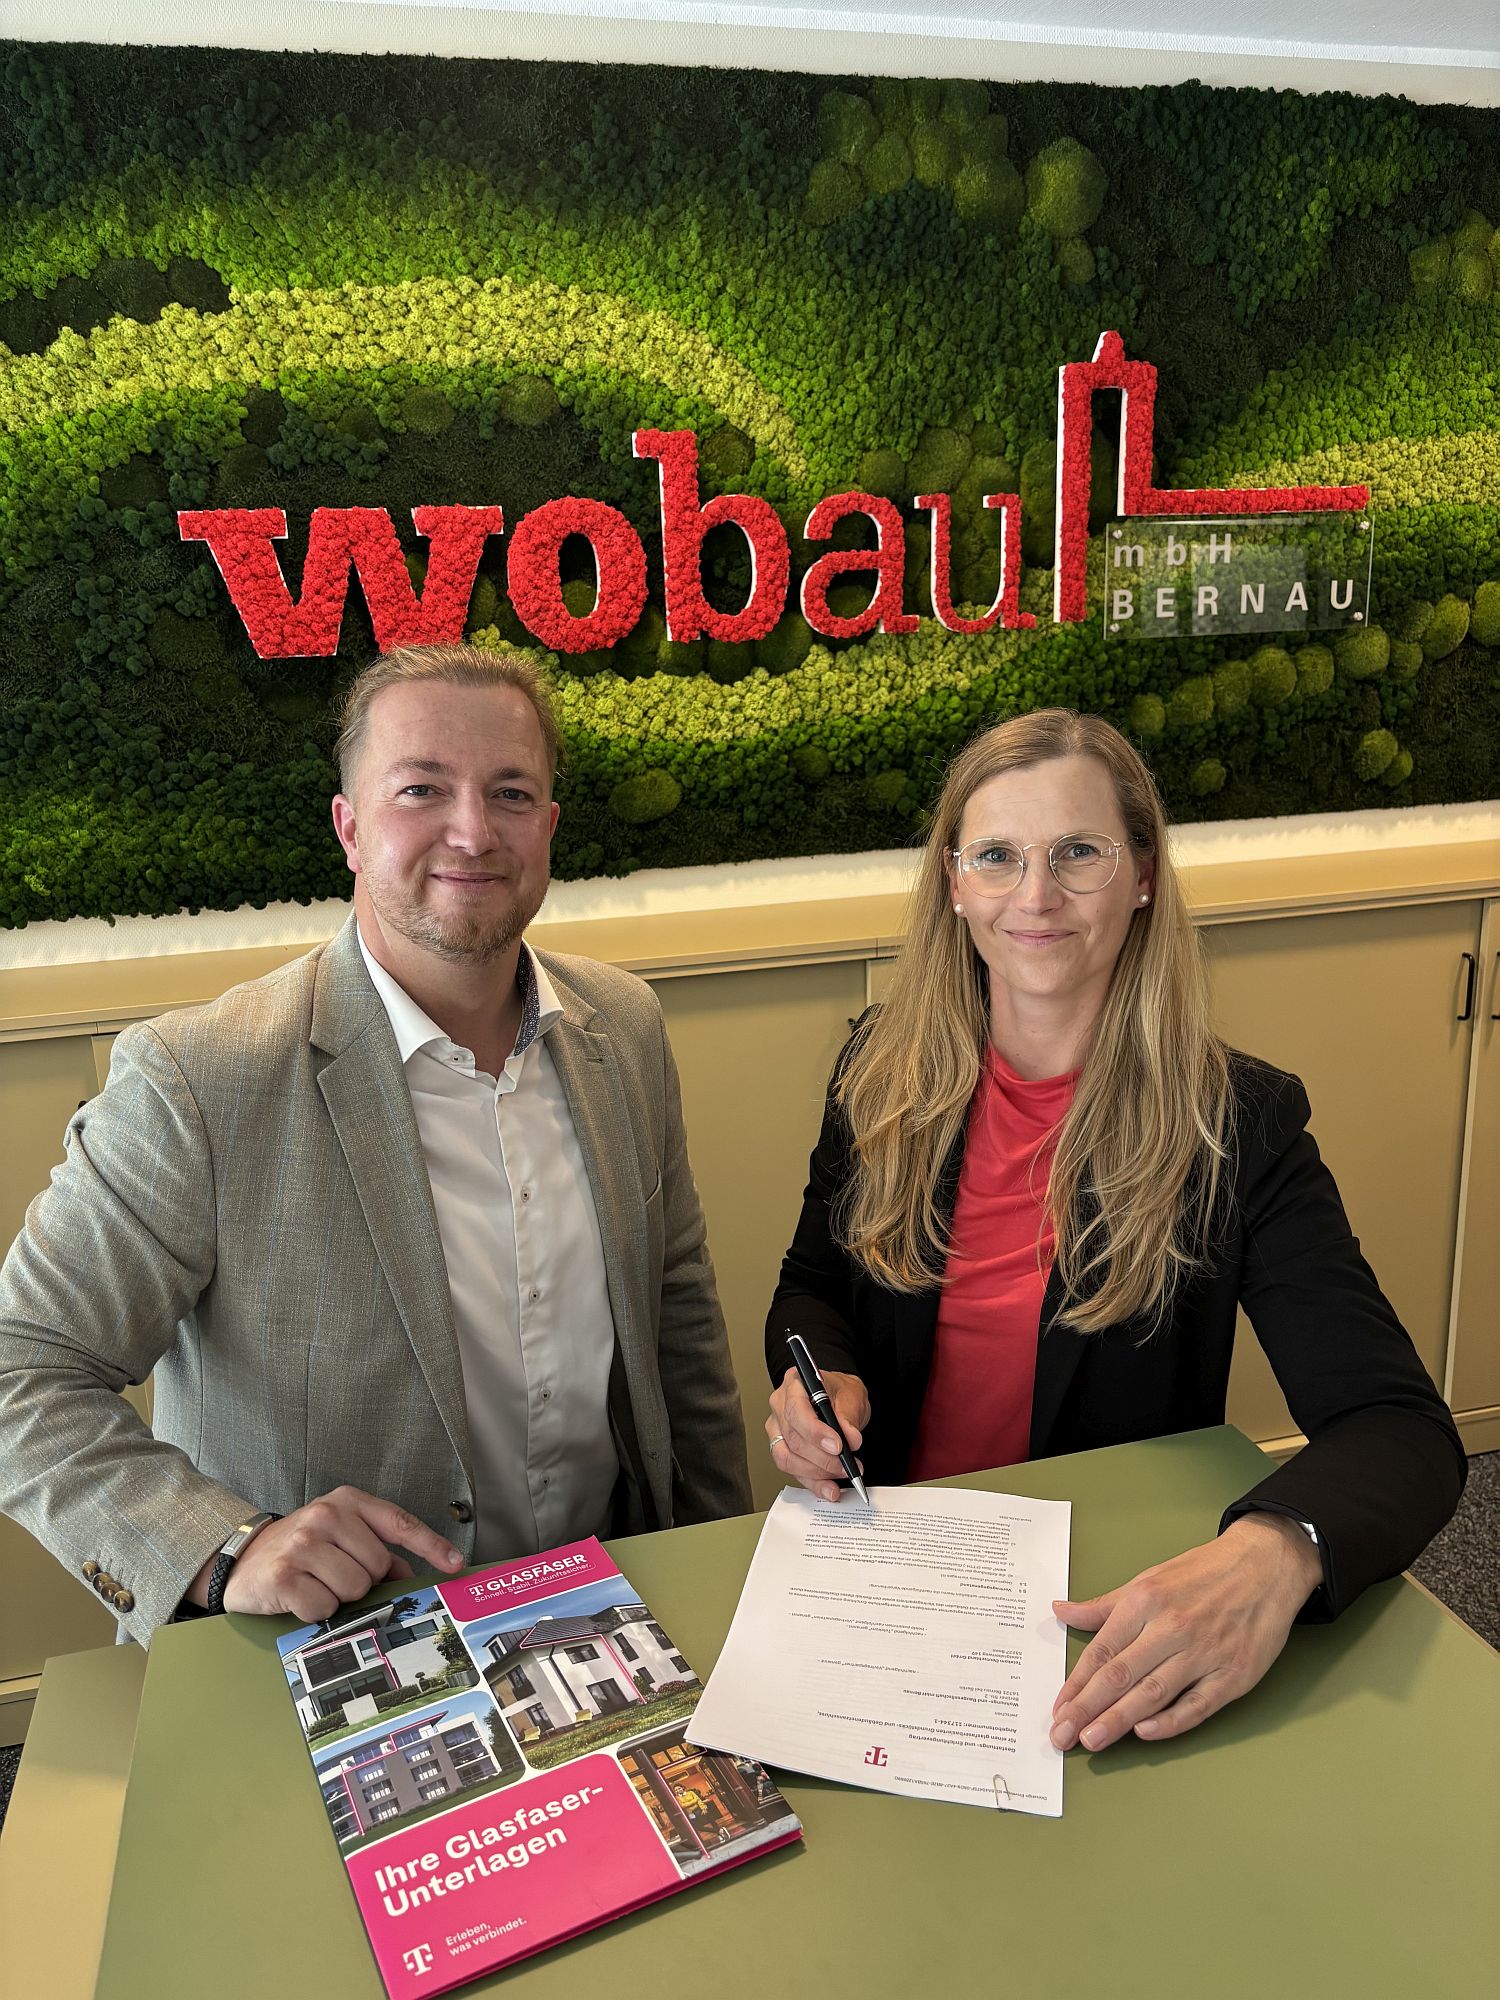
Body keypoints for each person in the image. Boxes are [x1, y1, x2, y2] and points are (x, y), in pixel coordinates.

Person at [0, 643, 750, 1645]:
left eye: (511, 792)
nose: (472, 830)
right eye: (421, 788)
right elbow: (22, 1367)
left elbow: (679, 1321)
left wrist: (728, 1573)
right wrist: (223, 1551)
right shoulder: (198, 1079)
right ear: (350, 828)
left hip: (614, 1613)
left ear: (549, 826)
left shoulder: (626, 1025)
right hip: (345, 1652)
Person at [763, 709, 1465, 1754]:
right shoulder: (879, 1069)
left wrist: (1278, 1548)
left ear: (1142, 874)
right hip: (898, 1575)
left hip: (1103, 1612)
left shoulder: (1237, 1123)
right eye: (998, 856)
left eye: (1078, 853)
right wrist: (817, 1377)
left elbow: (1400, 1428)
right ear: (954, 883)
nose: (1035, 896)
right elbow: (810, 1284)